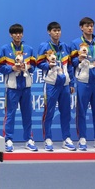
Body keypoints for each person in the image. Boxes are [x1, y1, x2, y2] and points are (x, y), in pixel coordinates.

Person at [71, 17, 95, 151]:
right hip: (83, 81)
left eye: (92, 26)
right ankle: (82, 138)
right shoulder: (75, 43)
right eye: (87, 26)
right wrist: (78, 59)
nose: (90, 28)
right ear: (81, 27)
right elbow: (72, 64)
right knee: (81, 111)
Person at [0, 23, 37, 152]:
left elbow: (34, 66)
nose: (18, 35)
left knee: (27, 114)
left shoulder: (29, 49)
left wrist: (27, 67)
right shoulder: (5, 49)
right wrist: (12, 68)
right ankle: (8, 140)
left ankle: (29, 139)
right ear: (11, 35)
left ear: (22, 34)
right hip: (12, 87)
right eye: (15, 33)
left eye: (20, 33)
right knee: (10, 114)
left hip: (26, 87)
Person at [35, 22, 76, 152]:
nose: (57, 32)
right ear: (49, 32)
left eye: (59, 30)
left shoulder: (65, 47)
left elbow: (70, 66)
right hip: (51, 84)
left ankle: (66, 138)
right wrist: (48, 66)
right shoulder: (44, 46)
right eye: (54, 30)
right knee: (49, 112)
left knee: (66, 113)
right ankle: (47, 139)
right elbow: (38, 63)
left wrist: (71, 83)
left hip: (65, 85)